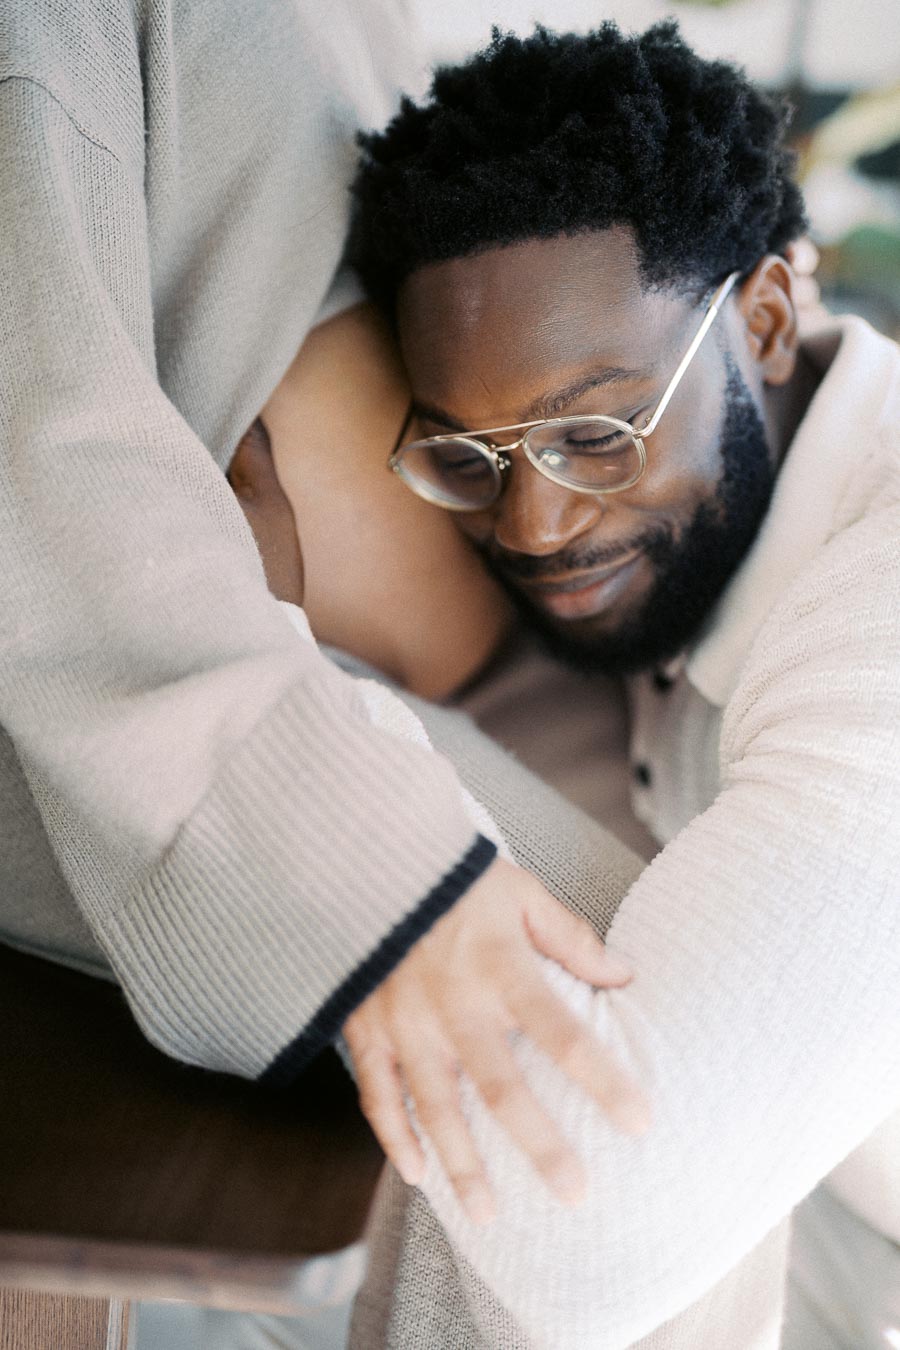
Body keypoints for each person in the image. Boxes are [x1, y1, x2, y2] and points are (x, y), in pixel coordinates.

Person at [0, 0, 655, 1248]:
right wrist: (361, 874)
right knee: (630, 1072)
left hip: (541, 669)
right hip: (256, 736)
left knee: (780, 1075)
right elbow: (34, 431)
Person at [333, 20, 899, 1347]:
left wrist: (305, 725)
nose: (533, 527)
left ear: (765, 320)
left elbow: (598, 1215)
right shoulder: (692, 544)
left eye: (596, 431)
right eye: (471, 458)